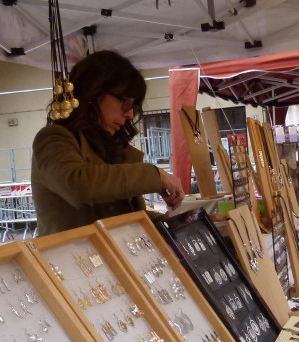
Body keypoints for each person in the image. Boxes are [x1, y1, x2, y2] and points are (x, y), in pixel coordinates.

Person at [32, 50, 185, 235]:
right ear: (94, 92)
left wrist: (167, 223)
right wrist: (155, 176)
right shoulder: (53, 139)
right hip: (74, 259)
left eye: (134, 107)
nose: (129, 114)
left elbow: (124, 217)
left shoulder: (113, 147)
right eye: (126, 102)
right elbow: (80, 185)